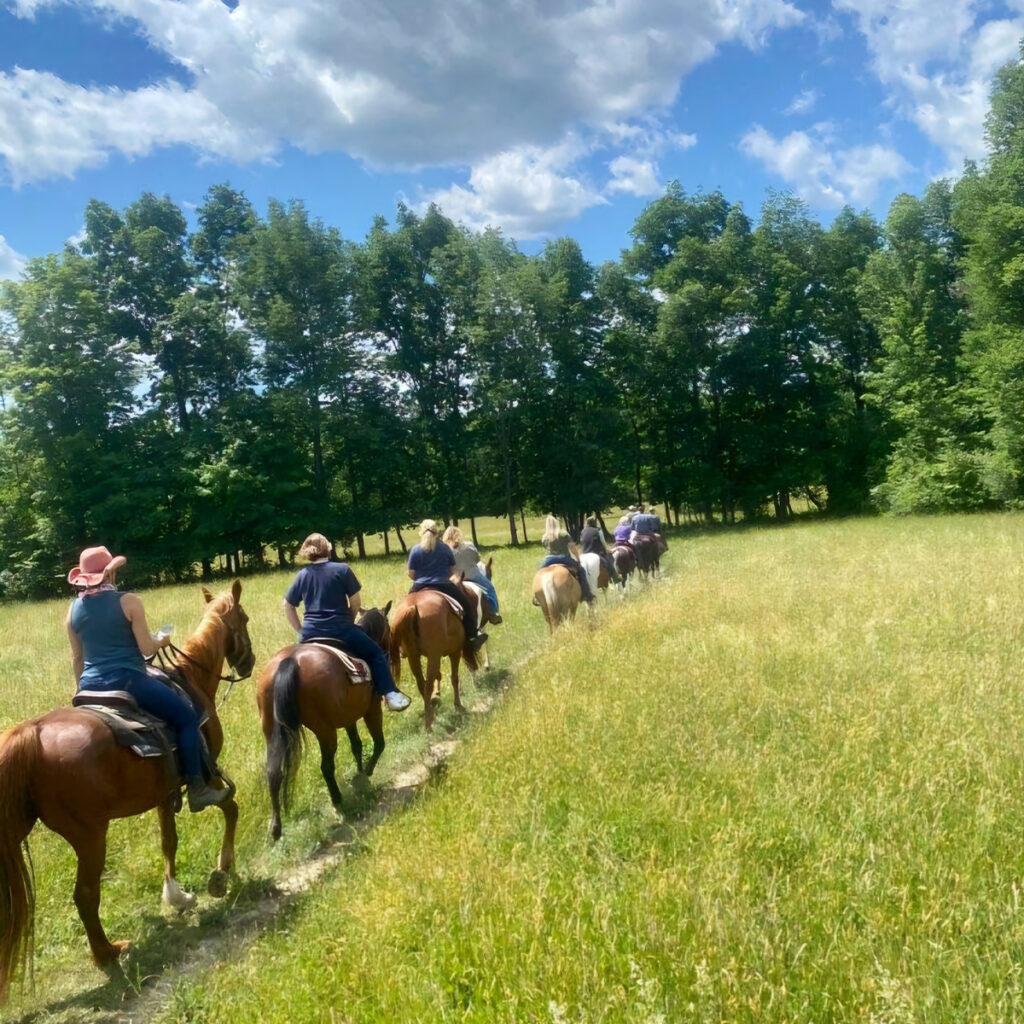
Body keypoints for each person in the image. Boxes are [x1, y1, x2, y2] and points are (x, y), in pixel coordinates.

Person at [66, 545, 229, 812]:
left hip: (89, 686)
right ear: (109, 575)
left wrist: (81, 690)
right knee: (187, 717)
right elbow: (146, 649)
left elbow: (77, 658)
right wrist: (162, 640)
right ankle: (198, 789)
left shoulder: (73, 610)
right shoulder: (128, 601)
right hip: (129, 681)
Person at [283, 533, 410, 711]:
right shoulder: (342, 570)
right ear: (328, 548)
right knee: (376, 654)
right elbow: (356, 602)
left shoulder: (302, 575)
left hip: (310, 633)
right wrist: (348, 621)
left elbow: (288, 606)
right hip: (341, 629)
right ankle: (390, 694)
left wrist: (300, 631)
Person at [407, 520, 487, 650]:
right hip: (443, 585)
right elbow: (453, 570)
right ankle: (473, 636)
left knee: (403, 607)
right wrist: (454, 578)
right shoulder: (444, 548)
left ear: (421, 532)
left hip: (419, 586)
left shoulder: (415, 550)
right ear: (437, 533)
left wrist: (421, 579)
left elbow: (411, 573)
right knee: (466, 605)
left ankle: (401, 645)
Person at [441, 525, 501, 625]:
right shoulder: (469, 545)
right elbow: (477, 560)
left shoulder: (446, 551)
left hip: (457, 580)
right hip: (474, 576)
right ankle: (494, 613)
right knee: (490, 589)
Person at [539, 514, 595, 604]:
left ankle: (539, 597)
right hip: (563, 558)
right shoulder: (563, 533)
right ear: (556, 523)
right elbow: (572, 547)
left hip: (549, 559)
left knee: (539, 574)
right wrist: (578, 559)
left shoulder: (544, 537)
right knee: (581, 570)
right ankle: (586, 595)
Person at [579, 514, 622, 585]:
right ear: (595, 523)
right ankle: (615, 577)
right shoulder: (598, 530)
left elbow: (582, 542)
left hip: (585, 553)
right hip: (597, 552)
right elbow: (603, 542)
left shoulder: (583, 531)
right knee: (609, 560)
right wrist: (607, 550)